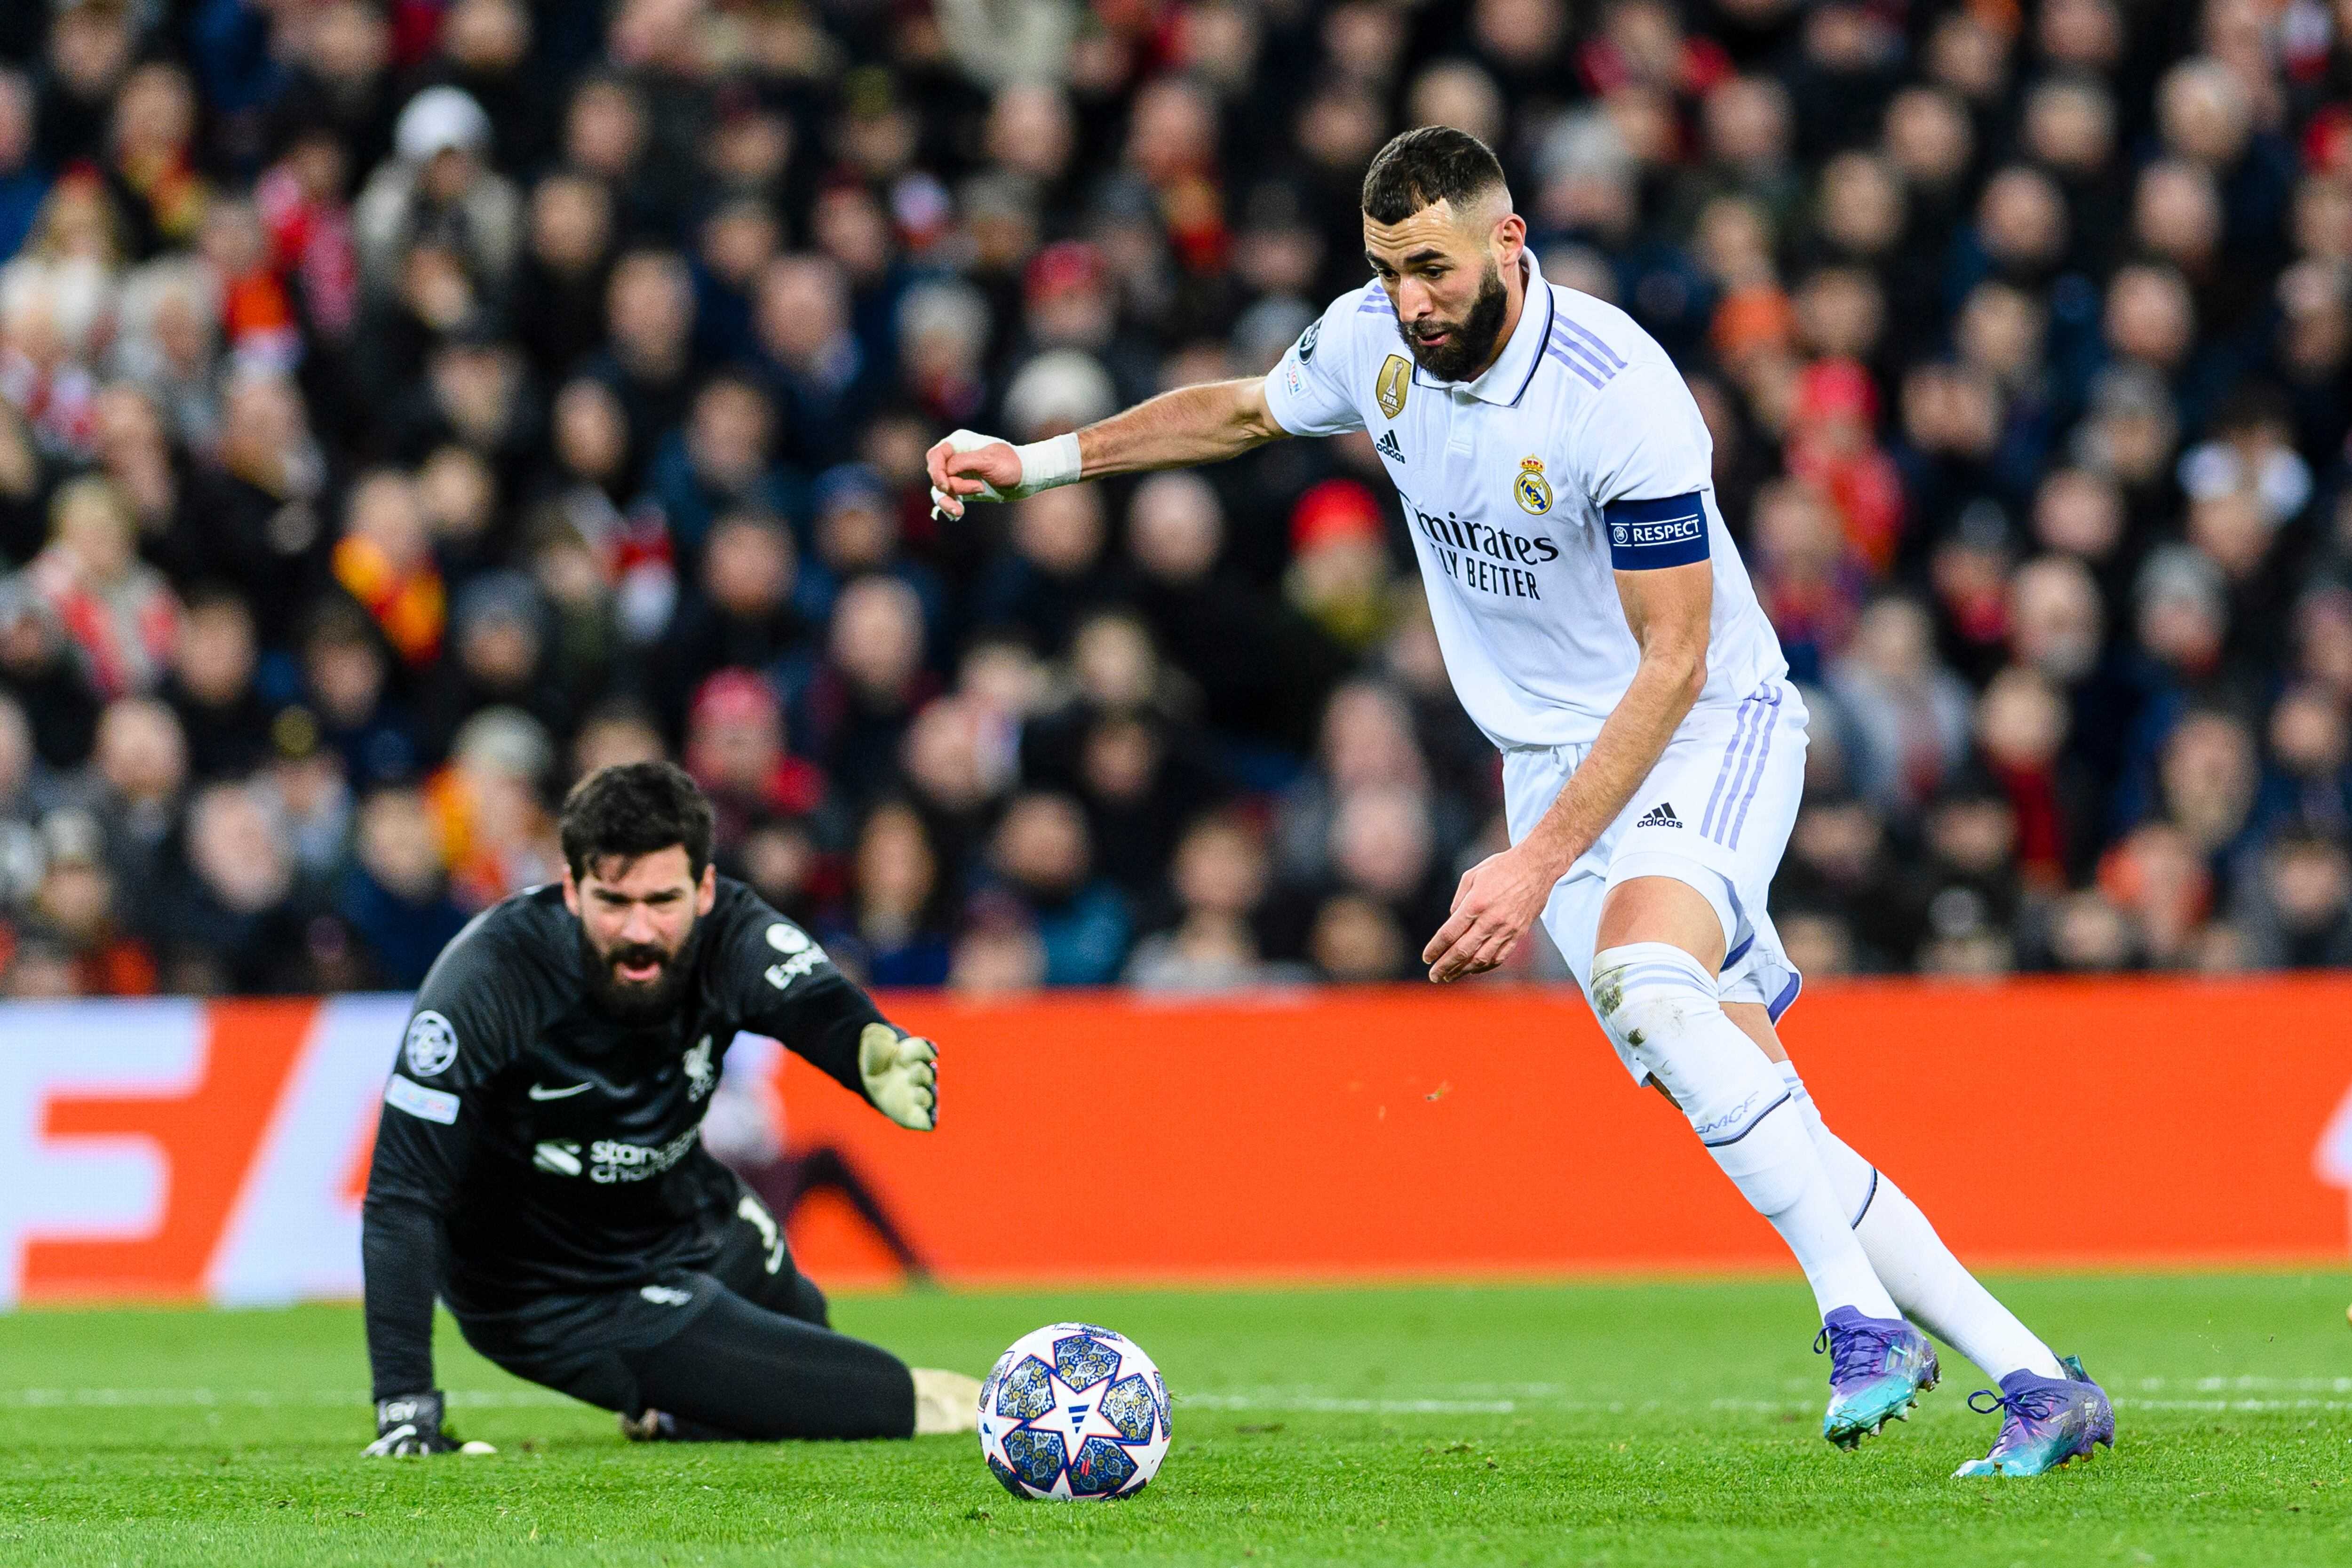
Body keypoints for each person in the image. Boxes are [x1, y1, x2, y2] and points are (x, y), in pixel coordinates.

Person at [927, 126, 2113, 1479]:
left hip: (1706, 728)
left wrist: (1529, 865)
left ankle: (1856, 1318)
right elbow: (1247, 407)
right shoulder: (1373, 345)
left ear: (1509, 244)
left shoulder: (1620, 393)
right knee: (1759, 1106)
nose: (1409, 300)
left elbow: (1675, 656)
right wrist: (1039, 460)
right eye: (1384, 271)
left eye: (1430, 267)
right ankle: (2034, 1379)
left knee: (1650, 976)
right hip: (1555, 763)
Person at [359, 761, 976, 1454]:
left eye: (663, 900)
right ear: (571, 889)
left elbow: (811, 999)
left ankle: (683, 1416)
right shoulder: (489, 978)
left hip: (689, 1218)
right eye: (613, 902)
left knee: (808, 1336)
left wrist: (865, 1045)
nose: (640, 931)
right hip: (554, 1291)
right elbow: (401, 1194)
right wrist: (406, 1407)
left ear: (705, 888)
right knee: (871, 1396)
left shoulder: (733, 931)